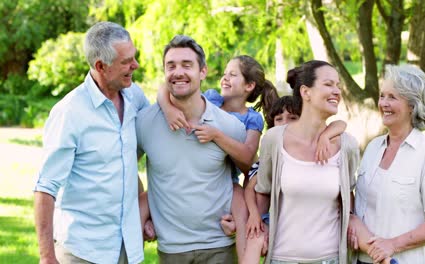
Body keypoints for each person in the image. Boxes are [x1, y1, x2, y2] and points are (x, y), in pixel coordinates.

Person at [33, 21, 149, 264]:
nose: (135, 65)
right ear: (101, 66)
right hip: (83, 251)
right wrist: (46, 257)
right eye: (126, 62)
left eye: (134, 57)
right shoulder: (70, 112)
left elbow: (131, 154)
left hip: (128, 248)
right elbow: (46, 187)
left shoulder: (134, 97)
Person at [153, 54, 278, 258]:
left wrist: (216, 135)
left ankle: (247, 258)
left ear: (249, 86)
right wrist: (167, 109)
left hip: (228, 182)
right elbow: (164, 87)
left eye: (233, 74)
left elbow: (247, 157)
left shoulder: (251, 119)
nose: (225, 78)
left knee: (240, 208)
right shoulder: (211, 99)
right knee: (146, 198)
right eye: (225, 73)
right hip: (186, 174)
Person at [136, 35, 246, 264]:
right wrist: (144, 212)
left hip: (220, 246)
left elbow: (252, 174)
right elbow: (123, 170)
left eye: (187, 65)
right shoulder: (144, 123)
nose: (178, 72)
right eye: (171, 66)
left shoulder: (229, 126)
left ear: (203, 71)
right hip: (172, 249)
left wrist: (241, 218)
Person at [254, 60, 360, 264]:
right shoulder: (274, 140)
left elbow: (348, 197)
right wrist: (256, 225)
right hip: (281, 258)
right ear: (306, 92)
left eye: (338, 85)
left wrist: (353, 220)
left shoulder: (347, 145)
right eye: (329, 84)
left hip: (331, 259)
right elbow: (263, 192)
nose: (337, 91)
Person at [350, 64, 425, 264]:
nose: (383, 103)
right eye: (382, 96)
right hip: (361, 260)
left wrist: (392, 244)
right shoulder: (373, 147)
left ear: (412, 106)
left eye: (392, 97)